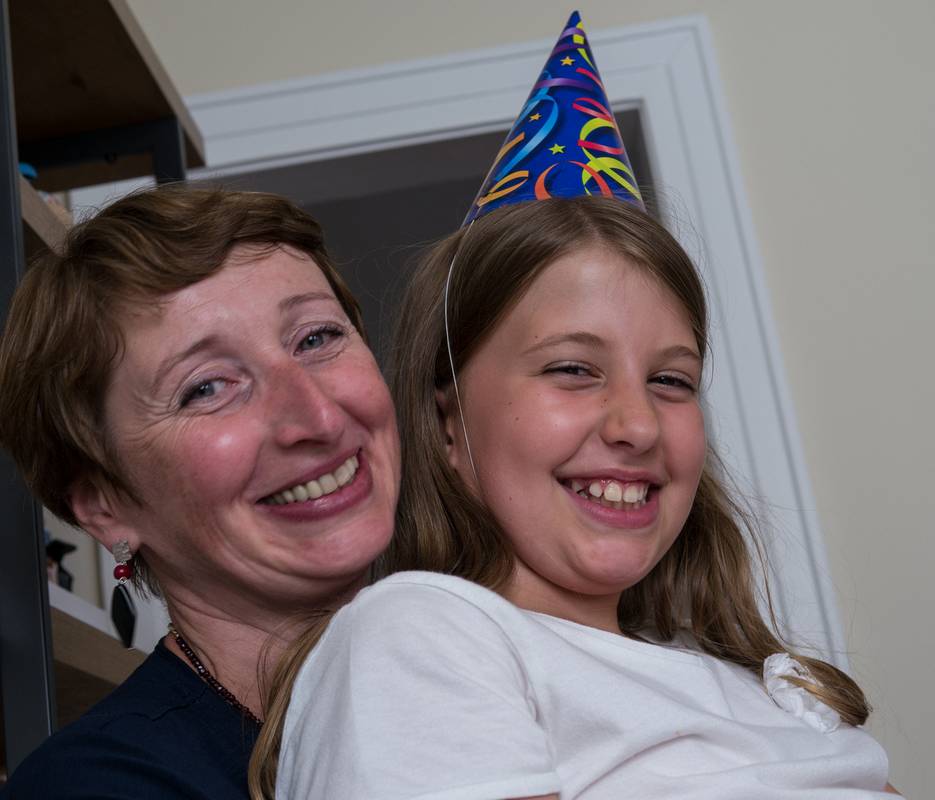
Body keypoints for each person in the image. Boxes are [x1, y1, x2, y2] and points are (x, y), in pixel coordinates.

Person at [261, 12, 899, 799]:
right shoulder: (421, 636)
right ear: (448, 423)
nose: (635, 425)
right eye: (571, 369)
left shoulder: (770, 690)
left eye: (670, 380)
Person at [0, 185, 400, 798]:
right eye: (207, 387)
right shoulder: (94, 786)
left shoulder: (493, 673)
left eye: (316, 338)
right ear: (105, 504)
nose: (317, 418)